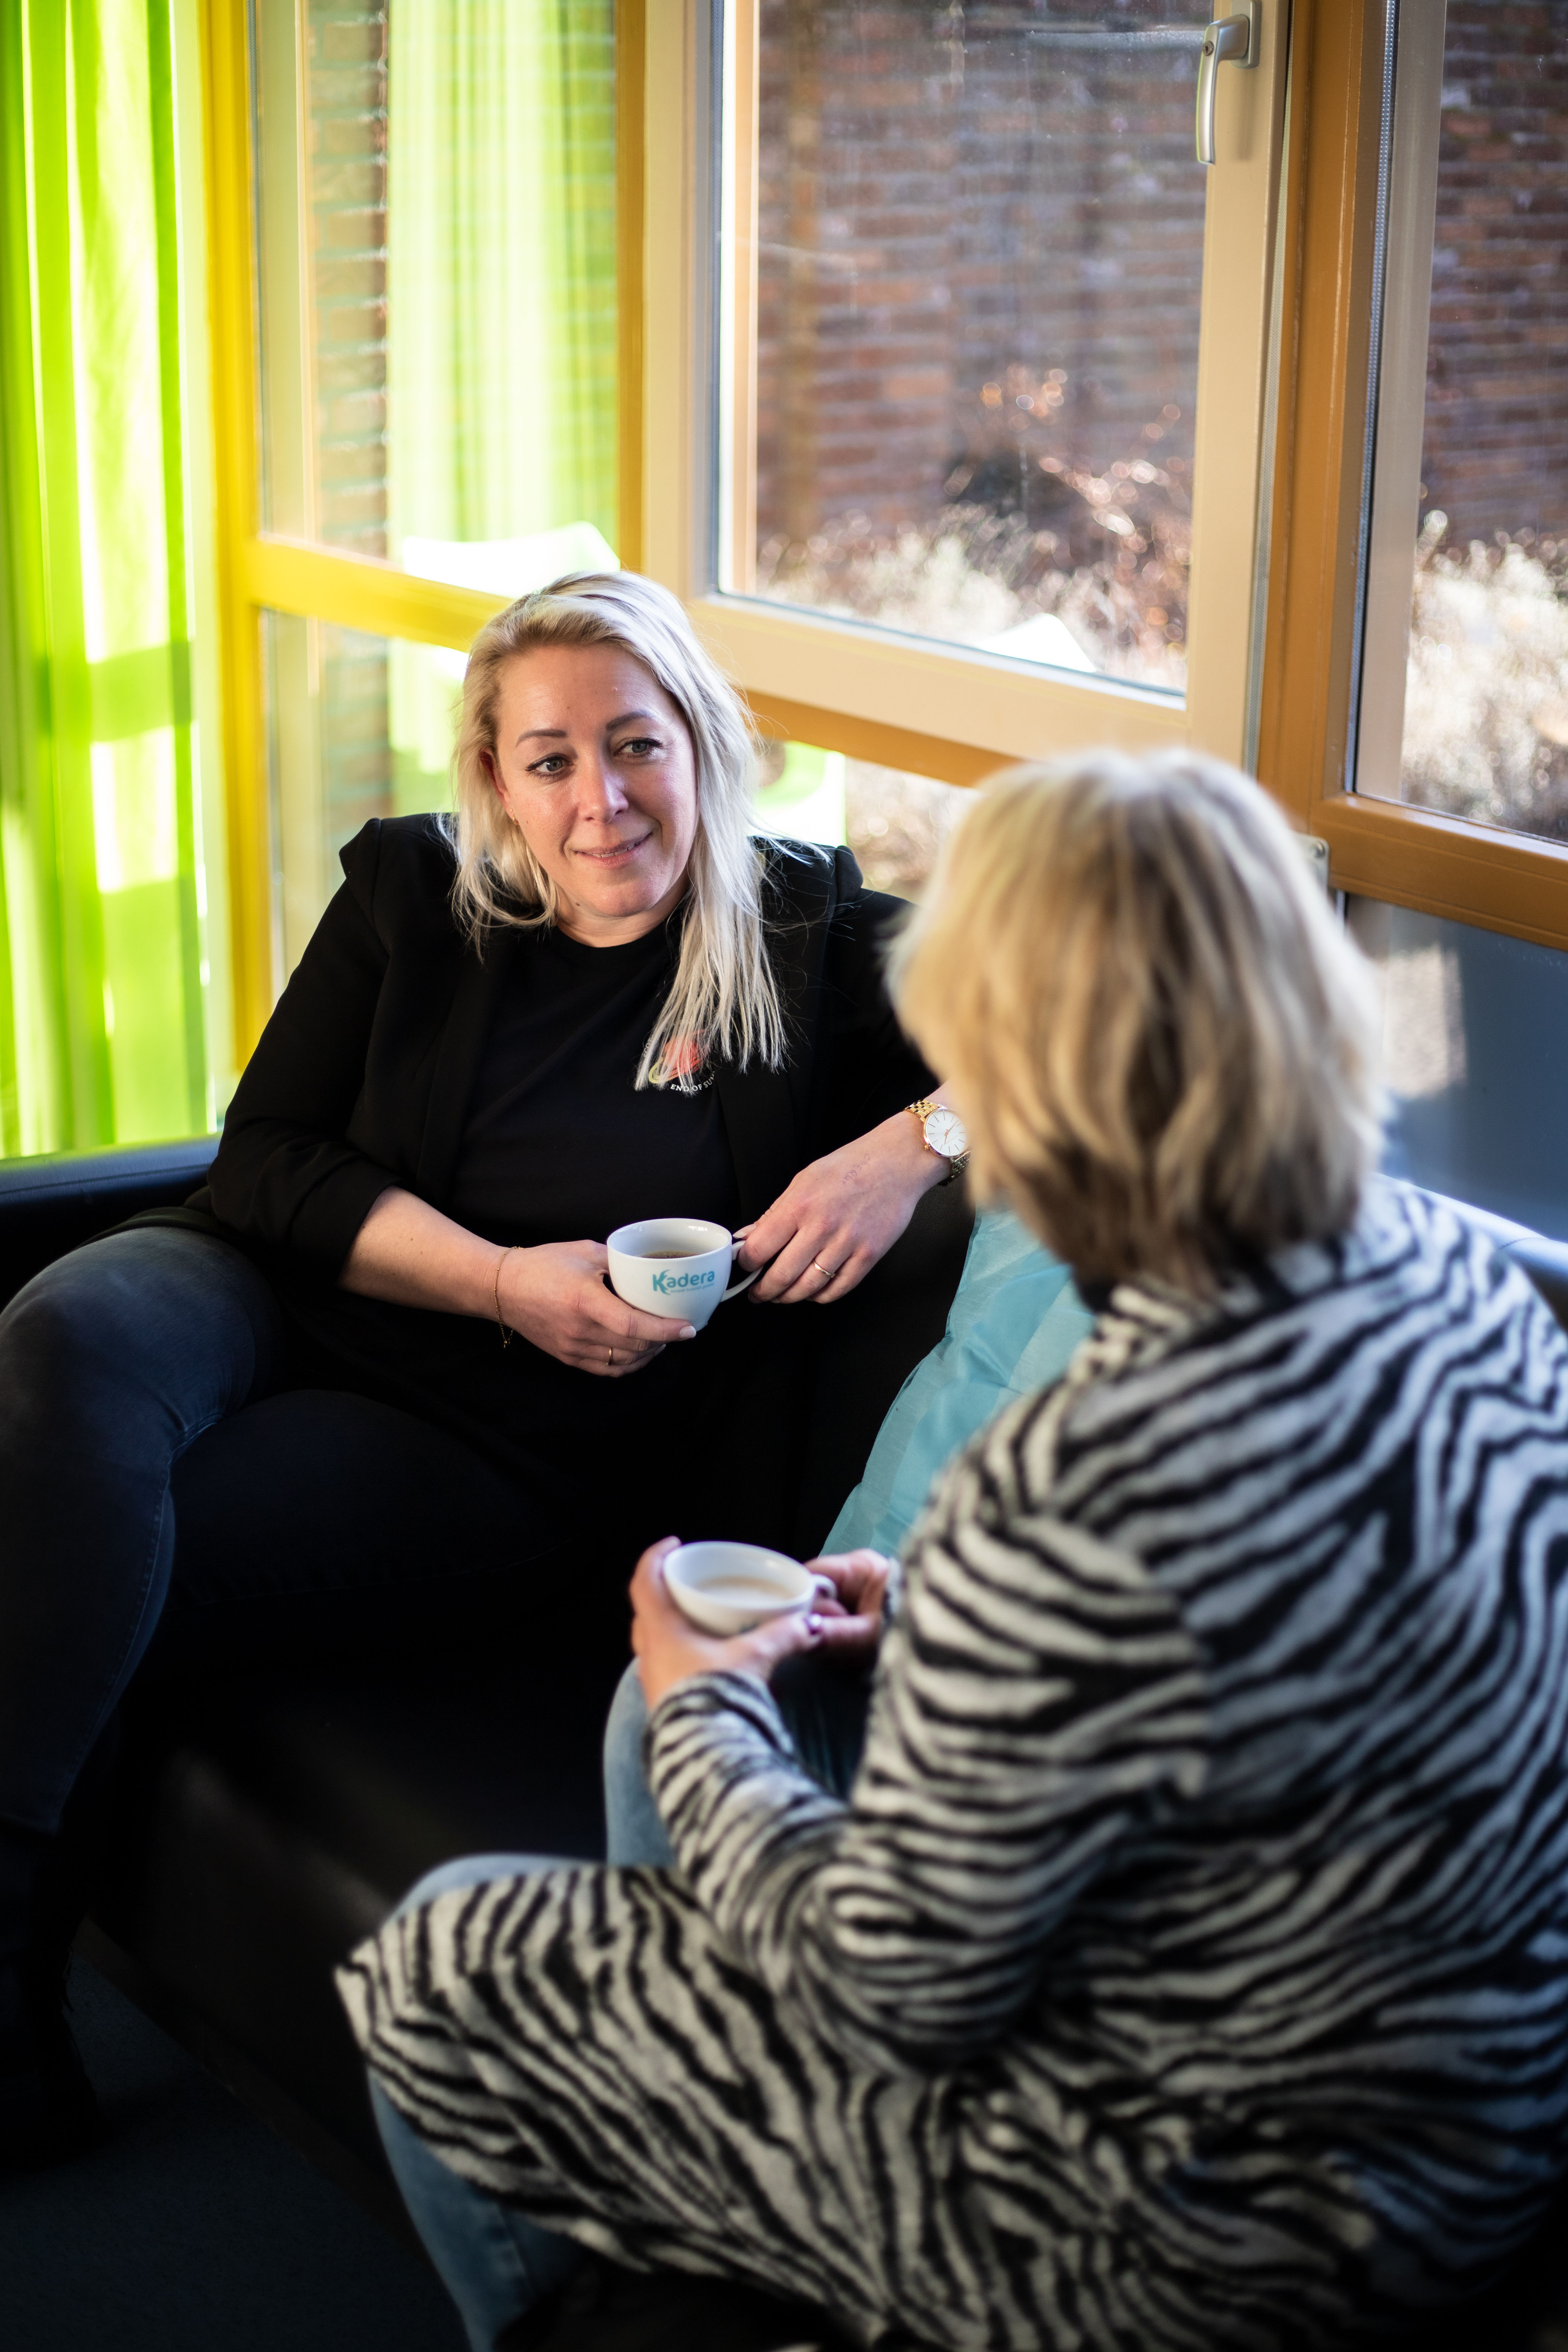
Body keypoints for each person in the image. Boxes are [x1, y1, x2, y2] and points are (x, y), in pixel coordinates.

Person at [341, 749, 1568, 2352]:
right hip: (1461, 2117)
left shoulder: (1086, 1463)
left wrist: (704, 1687)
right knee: (709, 1721)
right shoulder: (1462, 1297)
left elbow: (897, 1992)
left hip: (1204, 2223)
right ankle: (764, 2235)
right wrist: (923, 1608)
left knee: (451, 1954)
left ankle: (780, 2237)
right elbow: (1257, 1658)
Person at [0, 570, 963, 2168]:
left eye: (637, 745)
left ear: (703, 748)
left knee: (93, 1543)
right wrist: (504, 1281)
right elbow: (265, 1162)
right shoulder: (411, 895)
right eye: (550, 759)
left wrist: (909, 1148)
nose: (601, 801)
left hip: (485, 1444)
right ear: (494, 779)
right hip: (279, 1282)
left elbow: (1102, 1018)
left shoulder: (801, 933)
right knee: (58, 1342)